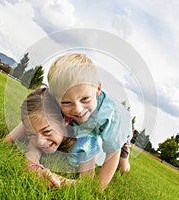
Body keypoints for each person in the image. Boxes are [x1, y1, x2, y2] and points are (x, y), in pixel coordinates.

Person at [47, 52, 132, 190]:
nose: (78, 110)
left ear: (97, 89)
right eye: (67, 102)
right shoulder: (58, 101)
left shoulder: (110, 116)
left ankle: (125, 161)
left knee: (122, 165)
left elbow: (112, 153)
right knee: (85, 141)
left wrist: (98, 188)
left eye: (85, 99)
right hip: (91, 127)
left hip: (121, 132)